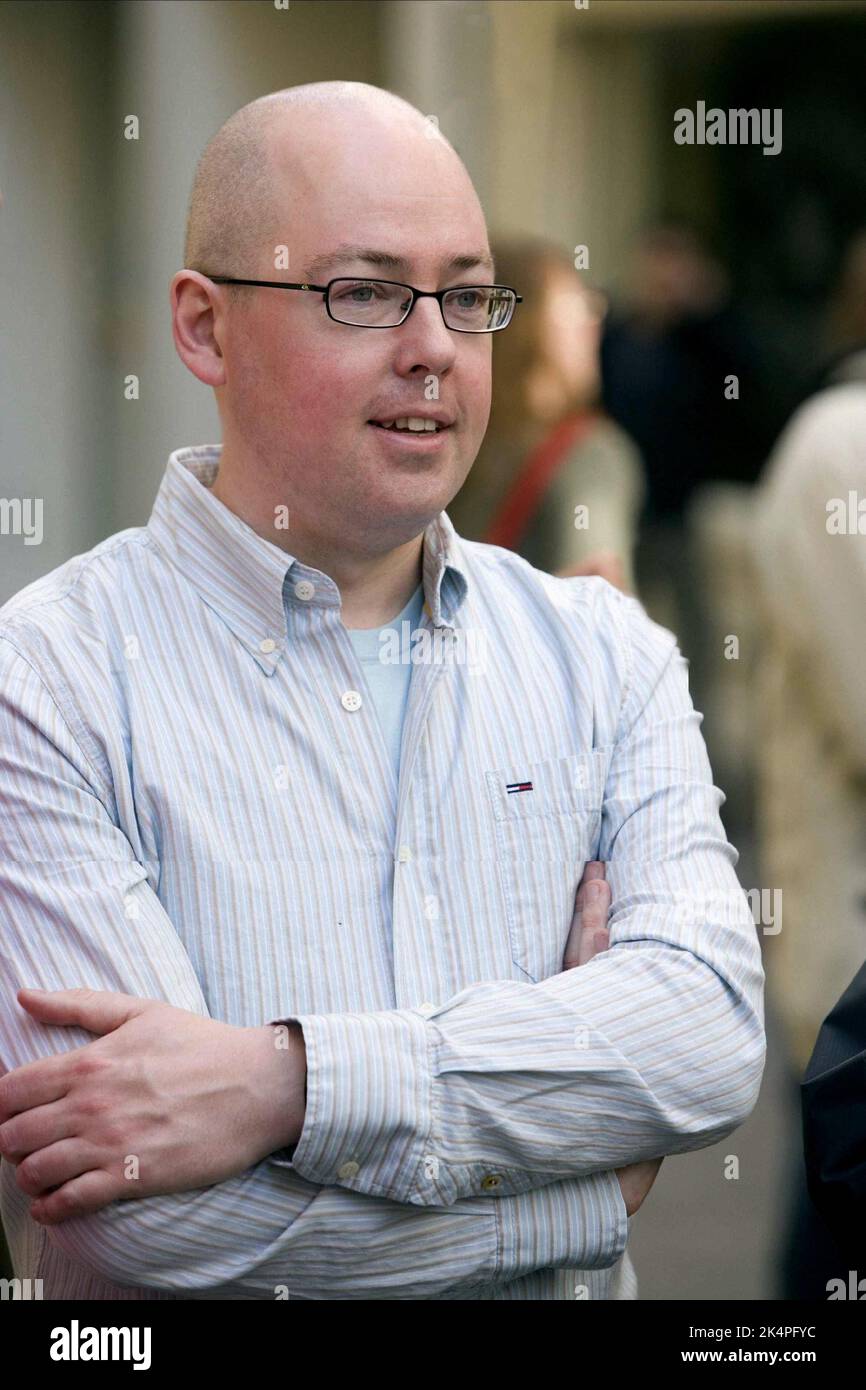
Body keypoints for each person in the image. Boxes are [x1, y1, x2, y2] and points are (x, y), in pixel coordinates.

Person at [0, 82, 764, 1301]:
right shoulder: (44, 684)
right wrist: (582, 1193)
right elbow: (134, 1216)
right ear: (203, 330)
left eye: (465, 296)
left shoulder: (602, 653)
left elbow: (709, 1034)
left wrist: (287, 1082)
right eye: (362, 292)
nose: (433, 347)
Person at [446, 237, 645, 593]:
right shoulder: (588, 454)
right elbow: (597, 610)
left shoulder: (441, 438)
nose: (594, 322)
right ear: (527, 327)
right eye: (580, 304)